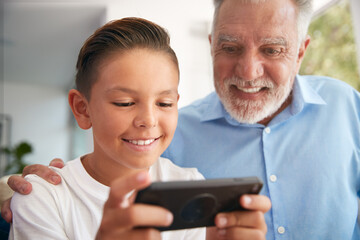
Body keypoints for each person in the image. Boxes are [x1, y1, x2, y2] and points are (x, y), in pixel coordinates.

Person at [3, 0, 360, 239]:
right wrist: (11, 188)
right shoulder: (173, 148)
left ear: (300, 52)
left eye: (272, 49)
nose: (249, 71)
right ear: (211, 45)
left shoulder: (348, 107)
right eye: (230, 47)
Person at [6, 17, 270, 240]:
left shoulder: (189, 186)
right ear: (83, 109)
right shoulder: (43, 198)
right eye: (126, 103)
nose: (148, 119)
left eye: (164, 103)